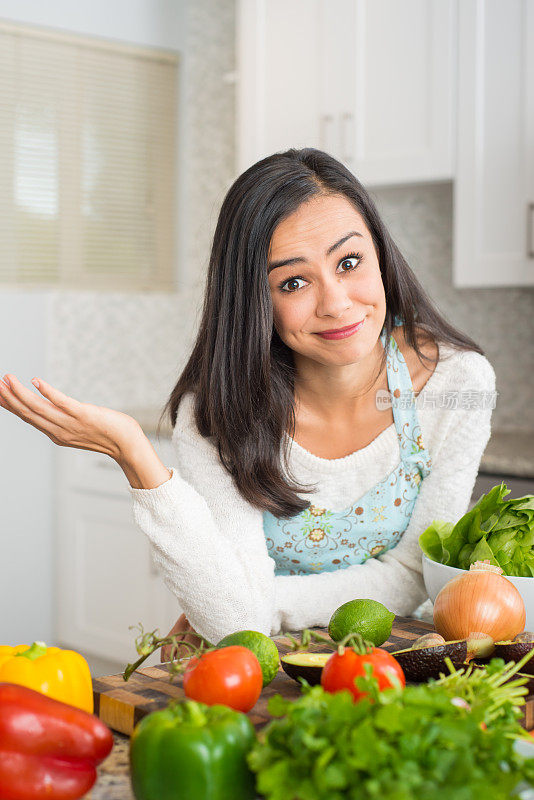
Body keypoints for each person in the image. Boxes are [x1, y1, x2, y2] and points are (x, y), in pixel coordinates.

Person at [0, 148, 496, 664]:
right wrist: (136, 456)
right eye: (293, 282)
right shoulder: (219, 412)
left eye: (349, 262)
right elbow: (234, 624)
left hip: (387, 664)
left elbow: (416, 573)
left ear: (381, 255)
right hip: (243, 671)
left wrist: (262, 605)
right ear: (255, 299)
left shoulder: (458, 385)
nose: (336, 302)